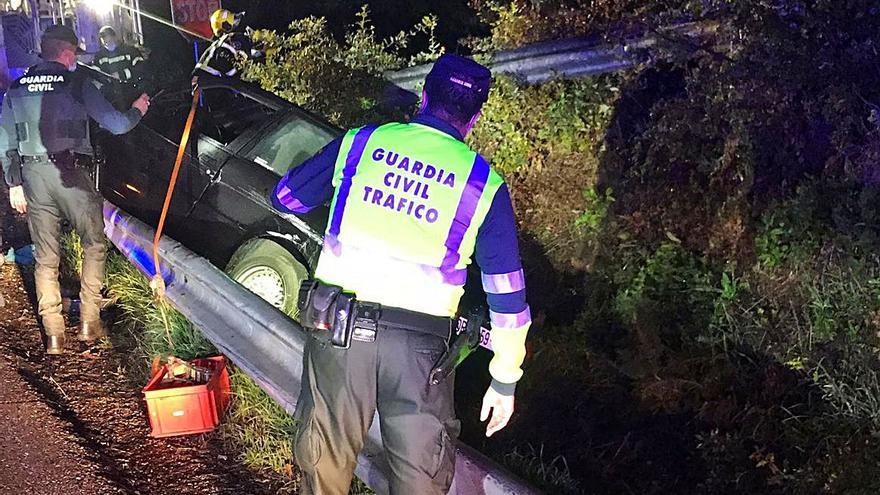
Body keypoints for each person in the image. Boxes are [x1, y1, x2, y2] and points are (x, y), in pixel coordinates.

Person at [271, 54, 531, 494]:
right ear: (476, 117)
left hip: (339, 332)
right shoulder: (484, 185)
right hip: (422, 353)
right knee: (420, 481)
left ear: (423, 96)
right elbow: (507, 296)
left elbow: (286, 198)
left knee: (323, 467)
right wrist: (504, 378)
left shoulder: (360, 143)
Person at [0, 25, 150, 354]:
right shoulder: (78, 83)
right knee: (94, 244)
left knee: (45, 257)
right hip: (72, 173)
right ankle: (88, 322)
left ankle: (53, 335)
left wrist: (14, 184)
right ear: (67, 52)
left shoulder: (16, 87)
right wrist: (138, 107)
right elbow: (118, 124)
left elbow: (5, 141)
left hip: (33, 176)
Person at [193, 9, 261, 79]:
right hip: (206, 82)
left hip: (212, 82)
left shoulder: (224, 42)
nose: (236, 23)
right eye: (233, 22)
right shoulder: (229, 41)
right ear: (226, 27)